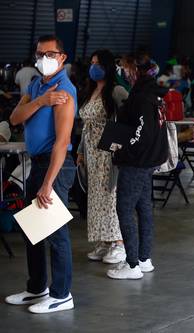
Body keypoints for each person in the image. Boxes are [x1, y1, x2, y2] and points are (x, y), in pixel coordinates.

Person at [5, 35, 77, 313]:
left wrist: (48, 183)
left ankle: (62, 294)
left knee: (55, 232)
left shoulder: (65, 92)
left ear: (62, 57)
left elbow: (62, 142)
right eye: (39, 54)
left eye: (49, 54)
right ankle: (37, 288)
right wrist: (41, 101)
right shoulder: (38, 86)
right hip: (37, 162)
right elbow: (14, 118)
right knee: (32, 229)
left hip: (55, 165)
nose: (42, 59)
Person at [106, 54, 168, 280]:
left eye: (123, 67)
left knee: (124, 208)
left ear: (133, 71)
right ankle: (143, 258)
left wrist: (124, 150)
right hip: (149, 160)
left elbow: (142, 133)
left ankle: (132, 264)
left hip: (137, 161)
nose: (120, 71)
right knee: (143, 207)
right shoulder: (153, 94)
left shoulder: (141, 97)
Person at [77, 49, 128, 264]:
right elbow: (86, 126)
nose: (93, 67)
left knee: (110, 197)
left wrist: (121, 146)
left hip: (109, 154)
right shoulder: (91, 91)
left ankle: (119, 243)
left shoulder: (116, 90)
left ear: (107, 66)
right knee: (96, 198)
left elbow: (129, 118)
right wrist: (80, 151)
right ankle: (104, 240)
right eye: (91, 63)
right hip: (91, 153)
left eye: (97, 63)